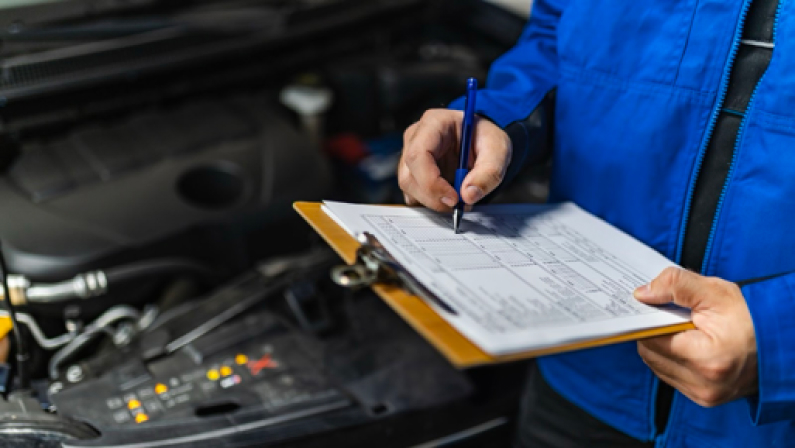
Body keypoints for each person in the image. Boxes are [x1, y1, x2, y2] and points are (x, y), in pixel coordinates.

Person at [398, 0, 794, 447]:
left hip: (768, 424)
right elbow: (556, 31)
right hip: (581, 380)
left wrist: (780, 338)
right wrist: (503, 118)